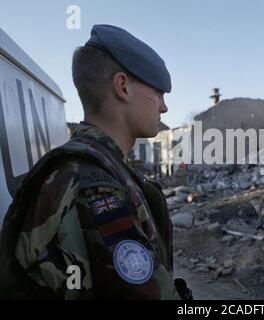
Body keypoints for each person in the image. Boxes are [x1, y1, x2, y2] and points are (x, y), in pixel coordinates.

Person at [0, 24, 191, 300]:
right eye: (159, 93)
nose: (164, 107)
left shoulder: (96, 167)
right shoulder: (95, 184)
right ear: (122, 86)